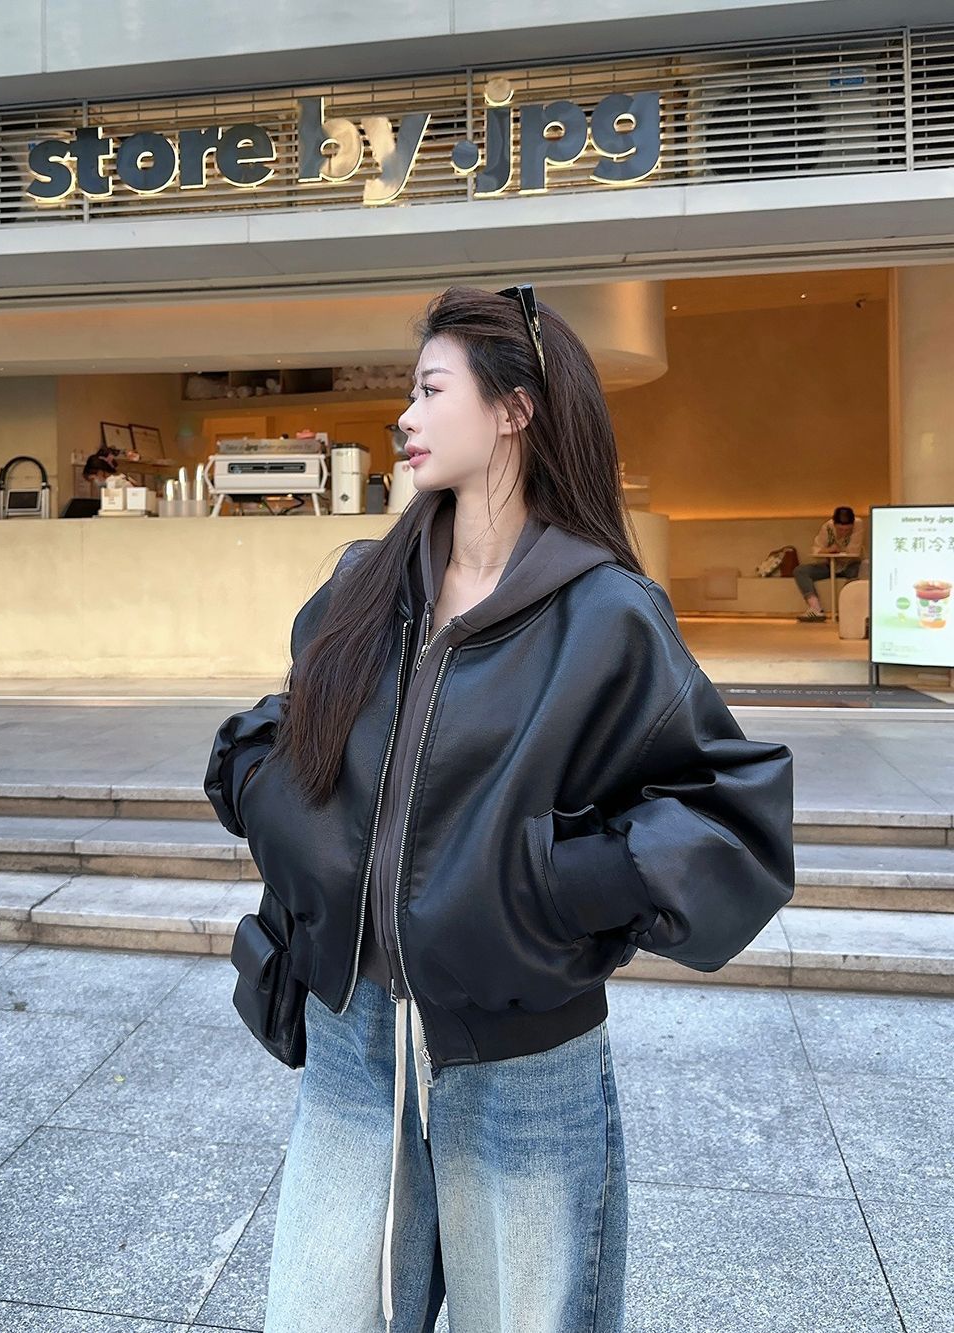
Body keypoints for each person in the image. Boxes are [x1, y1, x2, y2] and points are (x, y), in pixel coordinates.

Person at [204, 284, 796, 1333]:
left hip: (521, 1064)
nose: (406, 416)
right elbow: (275, 731)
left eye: (432, 390)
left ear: (514, 409)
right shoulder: (366, 585)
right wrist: (294, 827)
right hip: (351, 1041)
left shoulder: (605, 615)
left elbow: (732, 820)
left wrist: (545, 887)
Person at [794, 505, 865, 622]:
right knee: (800, 571)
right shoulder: (827, 527)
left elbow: (853, 551)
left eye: (847, 530)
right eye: (840, 530)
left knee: (858, 571)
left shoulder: (858, 524)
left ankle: (846, 610)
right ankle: (815, 608)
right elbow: (816, 550)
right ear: (834, 524)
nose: (844, 533)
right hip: (829, 565)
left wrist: (838, 550)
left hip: (851, 564)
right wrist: (828, 550)